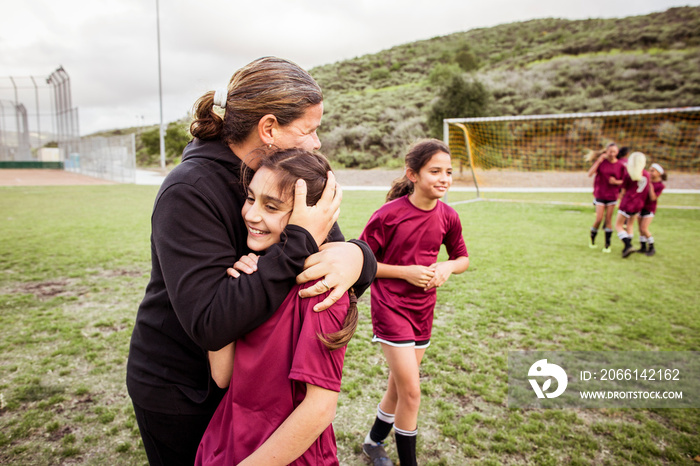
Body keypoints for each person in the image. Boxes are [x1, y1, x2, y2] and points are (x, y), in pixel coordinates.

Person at [126, 57, 377, 466]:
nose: (316, 142)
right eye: (309, 130)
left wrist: (357, 257)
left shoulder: (282, 176)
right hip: (183, 391)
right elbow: (210, 322)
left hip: (248, 392)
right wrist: (296, 245)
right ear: (269, 129)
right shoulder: (188, 190)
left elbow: (327, 249)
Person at [197, 149, 357, 465]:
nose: (252, 214)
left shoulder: (320, 288)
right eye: (250, 198)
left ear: (311, 216)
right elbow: (222, 376)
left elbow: (319, 409)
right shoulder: (252, 274)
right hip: (229, 441)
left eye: (271, 206)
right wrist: (232, 292)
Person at [359, 139, 469, 466]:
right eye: (435, 171)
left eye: (448, 172)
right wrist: (405, 273)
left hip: (423, 311)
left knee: (398, 386)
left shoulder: (449, 216)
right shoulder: (388, 216)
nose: (444, 178)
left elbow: (462, 257)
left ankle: (373, 443)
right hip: (390, 308)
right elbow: (362, 263)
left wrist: (447, 266)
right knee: (412, 392)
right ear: (413, 174)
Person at [615, 151, 655, 258]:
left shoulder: (630, 174)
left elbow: (623, 190)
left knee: (618, 225)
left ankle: (628, 245)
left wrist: (620, 200)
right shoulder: (646, 174)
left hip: (628, 203)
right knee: (630, 225)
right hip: (639, 204)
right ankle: (627, 247)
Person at [587, 142, 624, 252]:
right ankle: (592, 239)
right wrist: (598, 161)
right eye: (610, 152)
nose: (612, 154)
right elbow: (590, 174)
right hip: (600, 194)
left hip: (612, 196)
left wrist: (616, 182)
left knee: (608, 220)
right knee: (599, 219)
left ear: (617, 153)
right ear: (606, 152)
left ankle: (607, 245)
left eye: (614, 152)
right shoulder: (602, 163)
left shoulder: (621, 165)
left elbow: (624, 181)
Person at [636, 162, 667, 256]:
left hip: (649, 208)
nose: (650, 172)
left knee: (644, 228)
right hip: (640, 207)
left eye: (652, 171)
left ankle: (651, 247)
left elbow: (653, 197)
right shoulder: (645, 180)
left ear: (658, 173)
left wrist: (649, 185)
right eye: (649, 170)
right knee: (640, 229)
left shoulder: (660, 186)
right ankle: (643, 247)